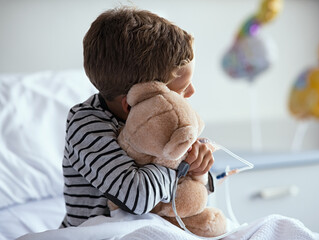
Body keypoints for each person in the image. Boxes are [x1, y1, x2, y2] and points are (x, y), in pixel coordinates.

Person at [61, 6, 214, 227]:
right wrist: (181, 167)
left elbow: (190, 194)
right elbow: (136, 196)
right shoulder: (86, 125)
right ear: (133, 103)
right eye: (179, 90)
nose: (191, 93)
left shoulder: (165, 118)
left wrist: (200, 170)